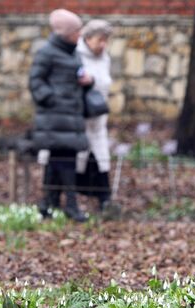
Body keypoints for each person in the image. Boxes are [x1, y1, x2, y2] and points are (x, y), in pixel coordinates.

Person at [29, 9, 93, 222]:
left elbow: (75, 79)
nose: (80, 35)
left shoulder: (73, 53)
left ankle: (47, 204)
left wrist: (87, 82)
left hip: (71, 117)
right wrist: (54, 100)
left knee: (58, 161)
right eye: (77, 31)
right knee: (64, 160)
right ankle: (70, 205)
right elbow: (36, 81)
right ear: (65, 32)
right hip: (56, 118)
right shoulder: (47, 53)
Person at [75, 20, 115, 212]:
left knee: (101, 159)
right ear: (88, 38)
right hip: (81, 118)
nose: (103, 45)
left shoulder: (105, 58)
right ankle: (74, 198)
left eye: (105, 40)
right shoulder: (76, 56)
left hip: (99, 120)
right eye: (100, 40)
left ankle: (104, 199)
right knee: (78, 159)